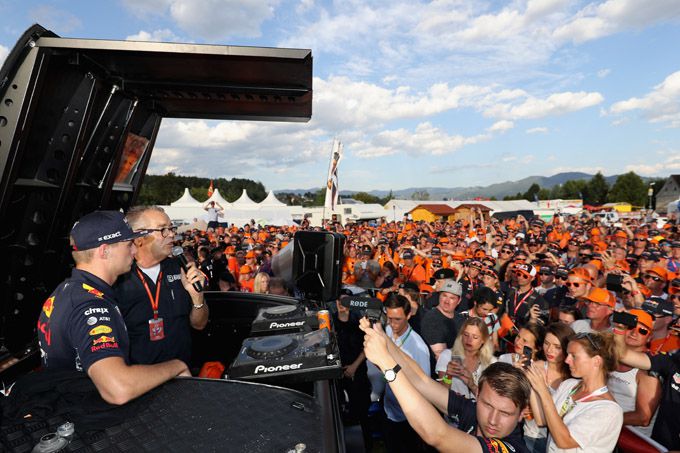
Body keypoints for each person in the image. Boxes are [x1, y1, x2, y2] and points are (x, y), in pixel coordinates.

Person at [36, 211, 190, 405]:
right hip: (87, 413)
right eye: (128, 244)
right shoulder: (90, 306)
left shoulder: (69, 291)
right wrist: (176, 366)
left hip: (72, 405)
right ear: (104, 251)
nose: (134, 251)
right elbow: (118, 389)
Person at [361, 317, 531, 453]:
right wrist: (382, 337)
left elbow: (437, 434)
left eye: (505, 413)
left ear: (522, 413)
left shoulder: (511, 448)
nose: (493, 420)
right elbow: (421, 380)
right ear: (478, 395)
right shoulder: (471, 409)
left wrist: (386, 364)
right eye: (487, 405)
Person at [114, 206, 209, 366]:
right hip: (139, 375)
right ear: (139, 238)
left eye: (171, 228)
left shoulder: (180, 268)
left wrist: (198, 298)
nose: (171, 234)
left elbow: (199, 324)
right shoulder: (118, 276)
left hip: (181, 373)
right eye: (162, 230)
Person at [525, 331, 623, 452]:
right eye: (568, 354)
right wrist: (532, 381)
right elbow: (542, 420)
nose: (567, 360)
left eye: (574, 356)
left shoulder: (609, 410)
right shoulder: (569, 385)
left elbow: (564, 441)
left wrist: (543, 391)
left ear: (596, 361)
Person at [615, 318, 680, 450]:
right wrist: (620, 329)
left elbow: (643, 418)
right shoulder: (671, 361)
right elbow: (622, 355)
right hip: (658, 444)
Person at [382, 294, 431, 453]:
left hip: (409, 417)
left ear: (409, 315)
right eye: (390, 318)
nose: (393, 324)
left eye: (398, 319)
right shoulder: (388, 330)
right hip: (389, 409)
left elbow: (424, 386)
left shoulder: (418, 347)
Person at [608, 309, 661, 439]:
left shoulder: (648, 369)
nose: (634, 333)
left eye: (642, 331)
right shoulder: (608, 355)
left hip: (629, 439)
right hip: (606, 430)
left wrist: (605, 420)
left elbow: (643, 418)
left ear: (650, 337)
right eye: (630, 327)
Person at [522, 322, 574, 453]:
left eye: (557, 347)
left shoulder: (573, 378)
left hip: (558, 444)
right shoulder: (536, 367)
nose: (549, 350)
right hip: (531, 436)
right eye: (546, 343)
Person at [436, 317, 496, 400]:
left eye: (475, 337)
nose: (469, 340)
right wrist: (448, 376)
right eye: (466, 335)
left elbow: (491, 400)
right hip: (453, 407)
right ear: (461, 336)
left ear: (483, 340)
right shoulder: (447, 355)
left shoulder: (491, 362)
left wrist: (472, 385)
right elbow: (441, 394)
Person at [420, 280, 466, 361]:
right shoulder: (431, 319)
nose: (447, 301)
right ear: (439, 296)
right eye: (444, 296)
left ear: (459, 301)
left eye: (452, 298)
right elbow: (441, 356)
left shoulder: (460, 318)